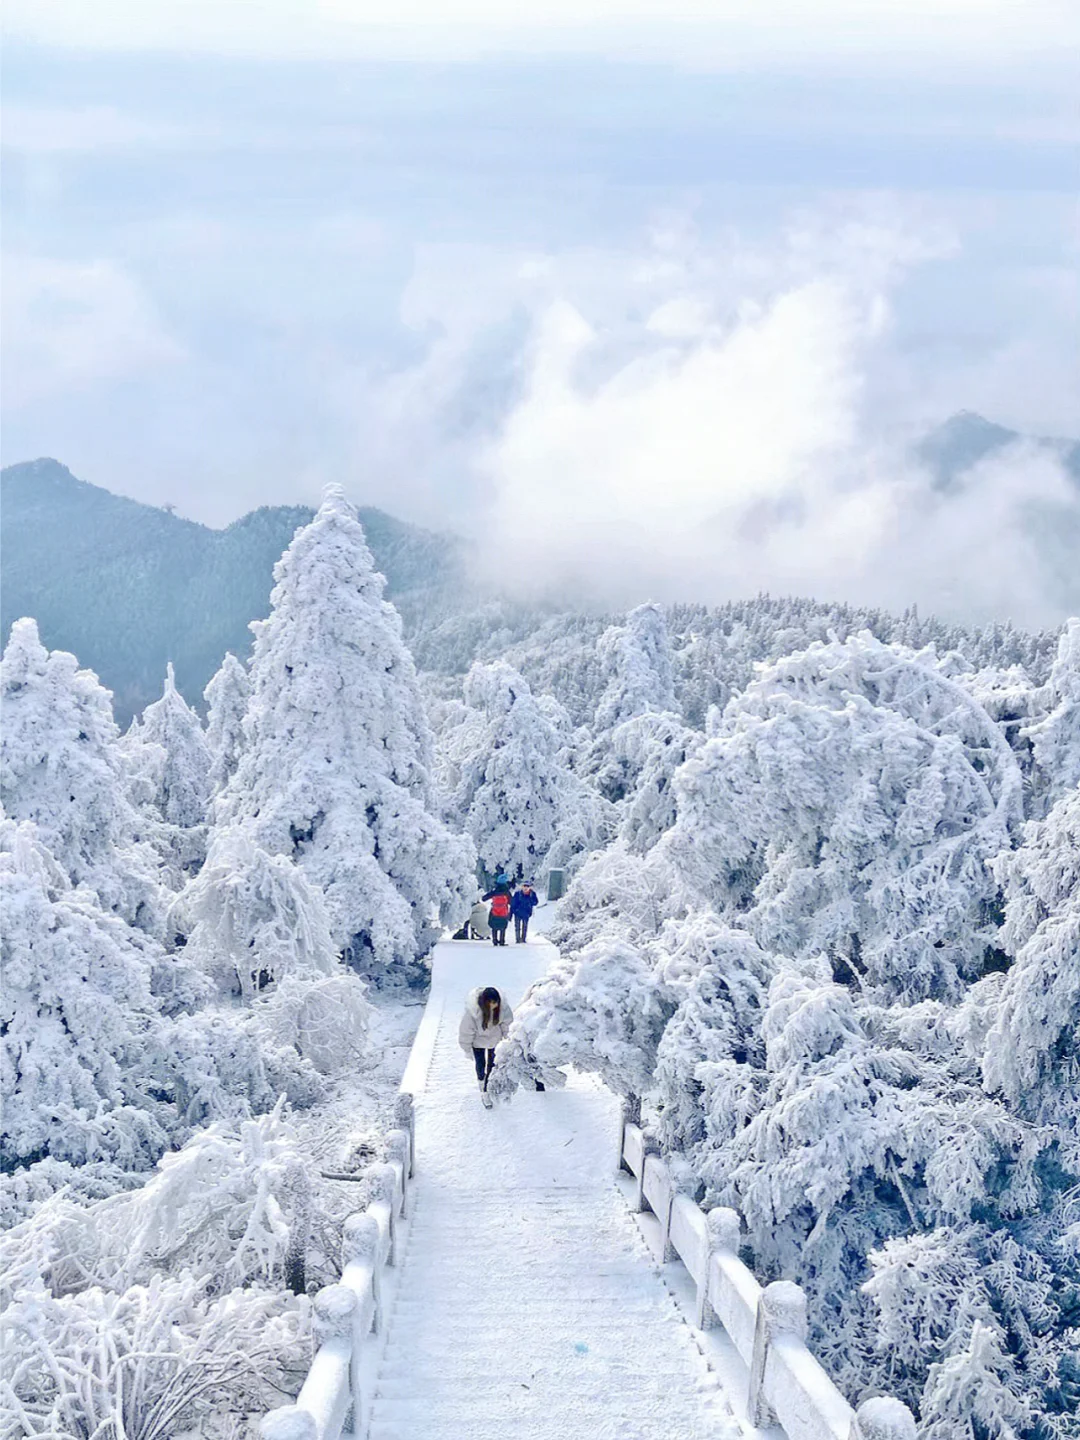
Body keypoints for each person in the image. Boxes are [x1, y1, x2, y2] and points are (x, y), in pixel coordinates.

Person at [458, 985, 512, 1102]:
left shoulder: (503, 1009)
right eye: (491, 1003)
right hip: (478, 1043)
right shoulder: (473, 1012)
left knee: (492, 1065)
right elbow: (466, 1032)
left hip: (495, 1041)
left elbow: (507, 1025)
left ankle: (489, 1089)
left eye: (496, 1002)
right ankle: (482, 1085)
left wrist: (508, 1039)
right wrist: (467, 1049)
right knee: (480, 1065)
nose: (494, 1005)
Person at [482, 874, 513, 947]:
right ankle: (502, 941)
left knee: (494, 926)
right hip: (504, 912)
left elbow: (484, 898)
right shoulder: (507, 892)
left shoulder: (495, 891)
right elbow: (511, 902)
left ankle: (495, 941)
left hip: (494, 912)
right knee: (503, 927)